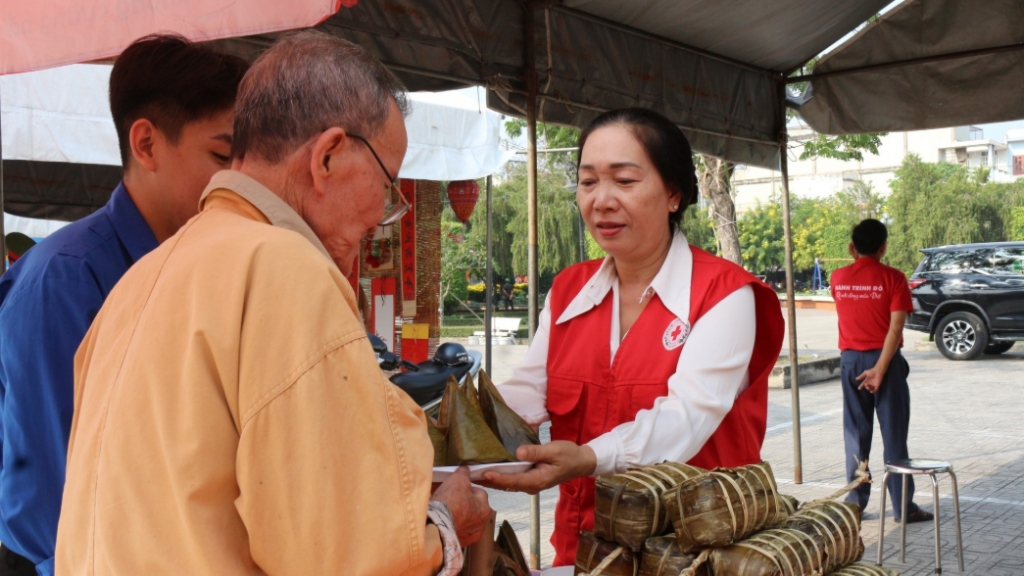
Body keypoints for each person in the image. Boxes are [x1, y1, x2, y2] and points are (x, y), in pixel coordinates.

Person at [55, 31, 489, 576]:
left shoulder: (142, 277)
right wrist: (445, 527)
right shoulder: (284, 270)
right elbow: (343, 557)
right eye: (388, 184)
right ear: (328, 156)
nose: (384, 215)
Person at [481, 108, 785, 565]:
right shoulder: (568, 291)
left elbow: (685, 419)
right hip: (586, 550)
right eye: (587, 182)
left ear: (673, 195)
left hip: (693, 558)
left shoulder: (724, 295)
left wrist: (587, 458)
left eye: (624, 181)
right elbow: (528, 389)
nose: (601, 200)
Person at [0, 35, 248, 576]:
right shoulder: (65, 278)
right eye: (223, 157)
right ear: (146, 144)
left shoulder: (203, 266)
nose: (239, 182)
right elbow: (48, 479)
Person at [830, 219, 933, 524]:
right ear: (883, 246)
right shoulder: (894, 278)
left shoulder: (838, 277)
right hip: (885, 362)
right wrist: (880, 369)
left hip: (850, 362)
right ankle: (903, 507)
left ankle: (855, 504)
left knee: (856, 435)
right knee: (894, 436)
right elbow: (896, 327)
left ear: (852, 247)